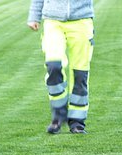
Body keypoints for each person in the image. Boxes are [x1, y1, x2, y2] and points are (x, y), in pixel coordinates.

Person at [27, 0, 94, 134]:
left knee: (80, 73)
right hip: (53, 22)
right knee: (53, 66)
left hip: (82, 21)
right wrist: (34, 16)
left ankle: (77, 122)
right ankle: (58, 113)